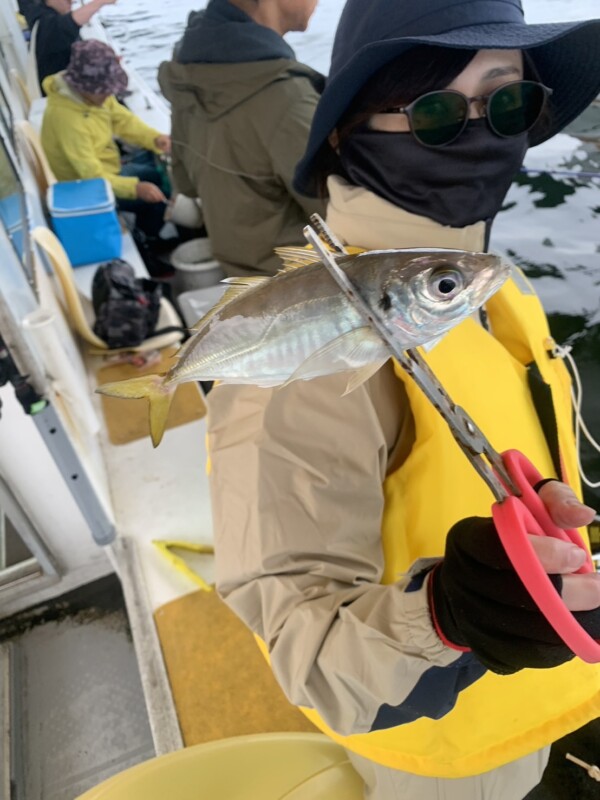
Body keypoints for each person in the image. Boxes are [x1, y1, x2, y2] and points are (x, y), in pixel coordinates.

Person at [206, 1, 600, 798]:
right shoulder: (310, 355)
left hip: (539, 692)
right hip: (447, 751)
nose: (486, 133)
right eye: (436, 111)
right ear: (350, 131)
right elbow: (303, 650)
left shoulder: (468, 283)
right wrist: (451, 613)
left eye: (510, 101)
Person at [157, 0, 326, 278]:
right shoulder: (287, 99)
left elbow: (186, 183)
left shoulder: (187, 72)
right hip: (300, 284)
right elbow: (343, 218)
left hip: (236, 274)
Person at [41, 39, 171, 245]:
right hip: (85, 189)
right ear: (83, 86)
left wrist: (155, 138)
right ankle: (148, 240)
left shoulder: (93, 96)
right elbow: (90, 175)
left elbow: (123, 120)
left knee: (155, 174)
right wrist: (135, 189)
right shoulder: (67, 120)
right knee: (156, 201)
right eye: (104, 89)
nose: (108, 94)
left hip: (108, 169)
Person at [18, 0, 117, 93]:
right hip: (65, 96)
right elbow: (67, 24)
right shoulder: (47, 28)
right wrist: (100, 2)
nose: (72, 1)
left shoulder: (40, 16)